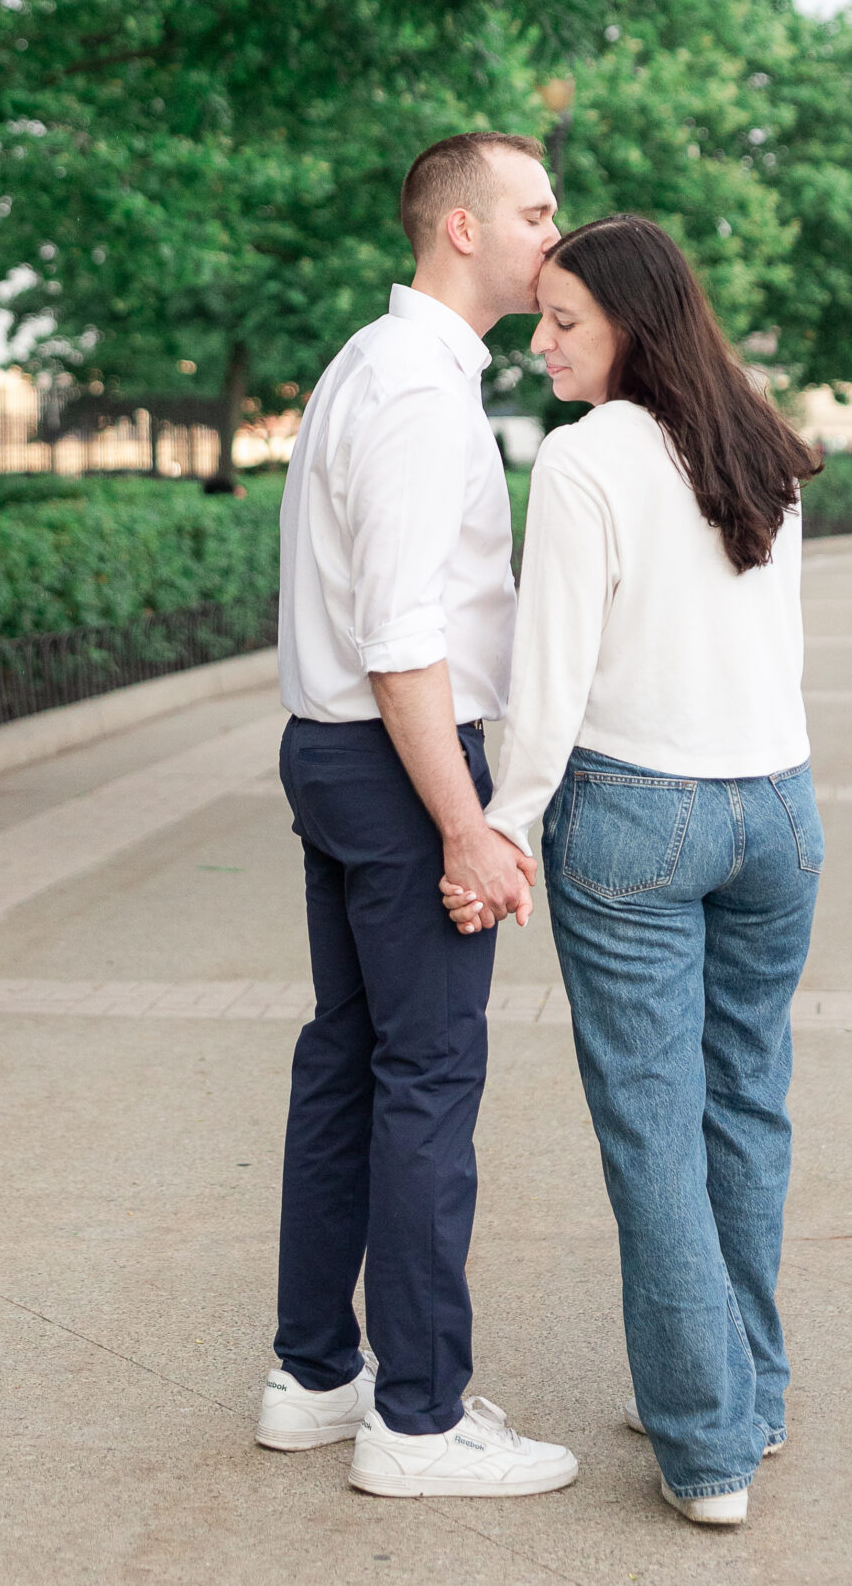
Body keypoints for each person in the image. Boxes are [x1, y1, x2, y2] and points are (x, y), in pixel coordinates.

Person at [444, 216, 822, 1527]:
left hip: (636, 815)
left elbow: (547, 676)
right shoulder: (759, 439)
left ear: (633, 325)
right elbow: (780, 645)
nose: (541, 346)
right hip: (779, 808)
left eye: (565, 323)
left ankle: (707, 1451)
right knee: (746, 1105)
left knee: (654, 1132)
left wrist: (506, 823)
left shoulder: (588, 456)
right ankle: (744, 1396)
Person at [257, 130, 578, 1501]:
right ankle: (421, 1420)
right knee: (427, 1082)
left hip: (346, 756)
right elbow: (399, 635)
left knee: (350, 1063)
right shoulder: (414, 390)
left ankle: (317, 1377)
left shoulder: (383, 364)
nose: (554, 233)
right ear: (462, 228)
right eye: (536, 212)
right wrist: (466, 823)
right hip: (396, 765)